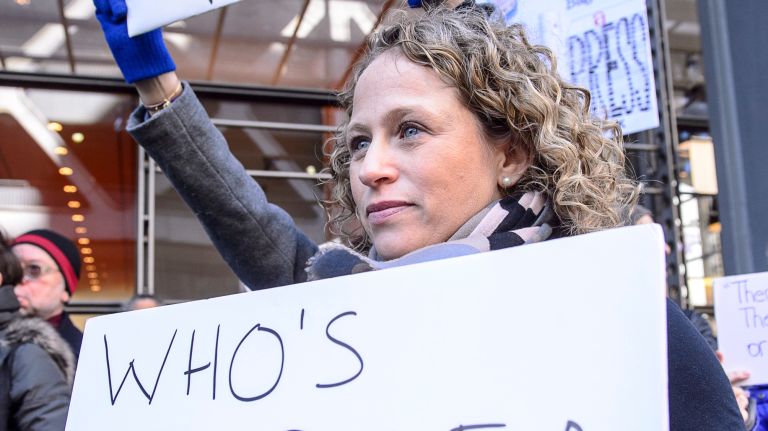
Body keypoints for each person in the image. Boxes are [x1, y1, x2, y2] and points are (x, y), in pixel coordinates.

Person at [93, 1, 745, 429]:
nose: (369, 166)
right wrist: (159, 87)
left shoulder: (624, 325)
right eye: (357, 142)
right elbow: (255, 230)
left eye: (409, 130)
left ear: (511, 152)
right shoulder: (335, 317)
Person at [0, 230, 73, 431]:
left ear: (67, 288)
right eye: (14, 269)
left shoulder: (30, 353)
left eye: (34, 269)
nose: (19, 280)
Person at [11, 229, 84, 360]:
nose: (18, 279)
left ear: (65, 291)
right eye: (11, 269)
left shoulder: (88, 355)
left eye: (34, 269)